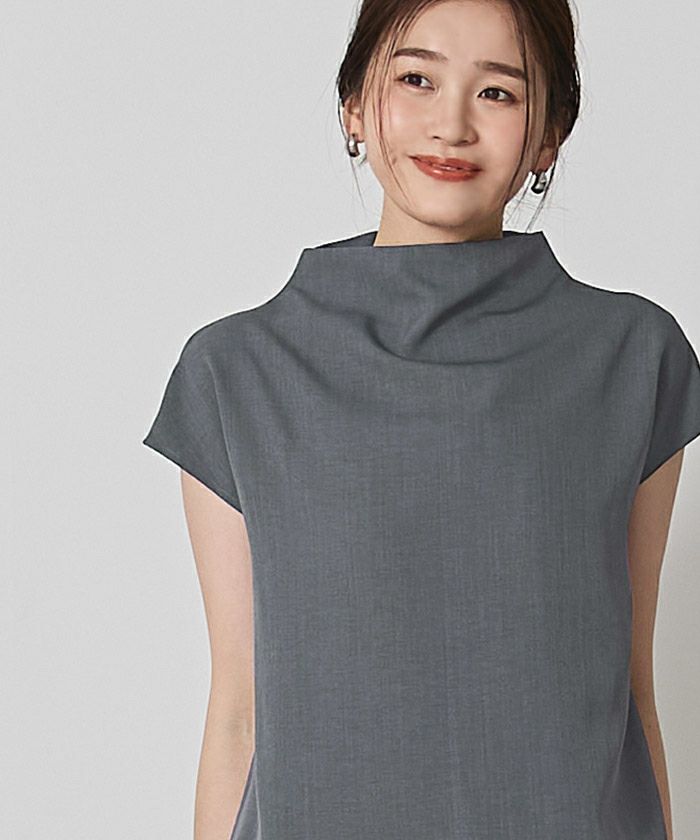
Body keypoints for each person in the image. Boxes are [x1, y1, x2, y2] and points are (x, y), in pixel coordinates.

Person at [142, 1, 700, 838]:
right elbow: (239, 717)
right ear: (354, 106)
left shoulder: (632, 358)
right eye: (416, 79)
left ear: (550, 136)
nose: (452, 124)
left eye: (499, 92)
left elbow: (631, 696)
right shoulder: (238, 372)